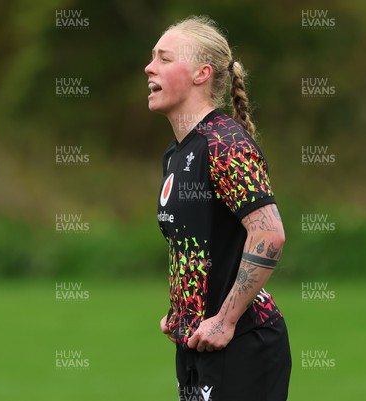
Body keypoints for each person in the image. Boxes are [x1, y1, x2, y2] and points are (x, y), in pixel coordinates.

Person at [144, 16, 291, 401]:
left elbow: (269, 234)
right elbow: (200, 242)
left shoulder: (224, 143)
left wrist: (224, 321)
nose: (149, 67)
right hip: (195, 342)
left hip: (241, 343)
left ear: (200, 73)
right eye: (151, 58)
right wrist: (181, 310)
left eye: (164, 58)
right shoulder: (176, 154)